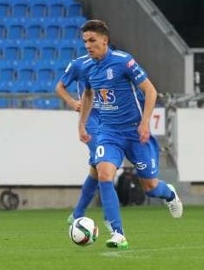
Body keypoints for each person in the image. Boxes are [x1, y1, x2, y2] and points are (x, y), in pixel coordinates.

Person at [77, 19, 183, 250]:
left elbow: (150, 90)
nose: (87, 45)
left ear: (105, 41)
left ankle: (169, 194)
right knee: (105, 175)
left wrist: (145, 123)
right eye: (85, 41)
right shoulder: (86, 67)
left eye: (92, 40)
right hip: (108, 133)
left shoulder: (123, 62)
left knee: (151, 187)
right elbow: (87, 95)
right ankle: (118, 233)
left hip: (136, 133)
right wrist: (82, 124)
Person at [56, 54, 107, 227]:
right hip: (90, 121)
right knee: (105, 163)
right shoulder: (78, 64)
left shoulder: (112, 62)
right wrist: (72, 102)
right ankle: (110, 217)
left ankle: (77, 214)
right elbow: (60, 87)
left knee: (95, 169)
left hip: (109, 120)